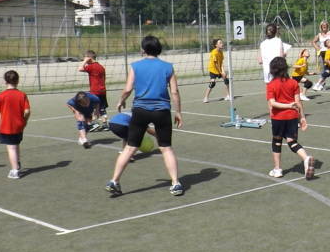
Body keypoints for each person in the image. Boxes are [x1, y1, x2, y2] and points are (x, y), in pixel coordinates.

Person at [105, 35, 184, 198]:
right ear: (158, 49)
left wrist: (121, 101)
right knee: (166, 148)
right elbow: (174, 91)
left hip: (140, 110)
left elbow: (128, 89)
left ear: (143, 49)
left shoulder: (135, 66)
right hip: (161, 111)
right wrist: (178, 112)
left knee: (129, 148)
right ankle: (175, 183)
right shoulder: (168, 67)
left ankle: (114, 181)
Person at [265, 56, 315, 179]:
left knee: (276, 142)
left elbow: (272, 103)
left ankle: (277, 169)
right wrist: (302, 117)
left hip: (278, 117)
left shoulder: (271, 85)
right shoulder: (293, 83)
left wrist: (286, 106)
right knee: (291, 141)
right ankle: (306, 158)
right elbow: (298, 102)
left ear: (273, 70)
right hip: (293, 116)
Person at [0, 70, 30, 179]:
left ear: (5, 81)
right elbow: (27, 111)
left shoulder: (0, 96)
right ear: (17, 81)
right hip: (19, 126)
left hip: (6, 126)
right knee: (16, 144)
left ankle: (14, 171)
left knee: (11, 148)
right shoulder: (22, 95)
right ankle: (17, 163)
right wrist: (25, 121)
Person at [79, 50, 108, 127]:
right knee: (102, 108)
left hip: (95, 91)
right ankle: (105, 124)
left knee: (93, 108)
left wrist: (85, 61)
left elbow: (80, 68)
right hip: (103, 90)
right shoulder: (101, 67)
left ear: (89, 58)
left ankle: (94, 124)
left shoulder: (91, 66)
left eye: (85, 57)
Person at [202, 39, 232, 103]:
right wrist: (221, 72)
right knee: (213, 83)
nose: (222, 44)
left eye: (222, 42)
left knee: (226, 80)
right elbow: (216, 64)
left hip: (219, 69)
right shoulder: (214, 52)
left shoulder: (221, 52)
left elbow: (221, 63)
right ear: (216, 45)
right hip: (213, 69)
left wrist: (223, 71)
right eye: (220, 43)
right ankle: (206, 98)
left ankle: (228, 96)